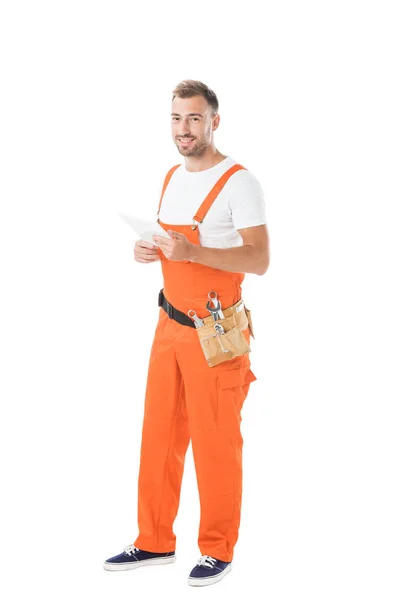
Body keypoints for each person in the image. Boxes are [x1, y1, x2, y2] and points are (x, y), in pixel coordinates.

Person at [103, 80, 270, 587]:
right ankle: (153, 540)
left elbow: (259, 260)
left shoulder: (240, 181)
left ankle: (217, 548)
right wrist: (149, 252)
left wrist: (193, 252)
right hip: (168, 327)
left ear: (214, 122)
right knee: (159, 437)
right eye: (177, 118)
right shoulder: (173, 176)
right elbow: (172, 246)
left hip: (215, 334)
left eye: (194, 119)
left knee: (216, 443)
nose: (184, 129)